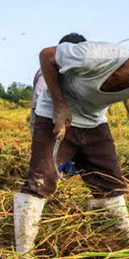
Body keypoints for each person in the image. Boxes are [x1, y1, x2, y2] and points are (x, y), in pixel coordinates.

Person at [13, 39, 129, 255]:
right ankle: (24, 256)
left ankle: (121, 245)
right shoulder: (96, 56)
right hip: (55, 113)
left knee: (111, 185)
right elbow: (47, 55)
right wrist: (60, 103)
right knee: (41, 180)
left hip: (94, 120)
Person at [30, 32, 87, 176]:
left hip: (62, 113)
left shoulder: (72, 71)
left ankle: (65, 171)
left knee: (64, 146)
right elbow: (39, 97)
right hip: (46, 114)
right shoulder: (49, 71)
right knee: (48, 150)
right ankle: (50, 175)